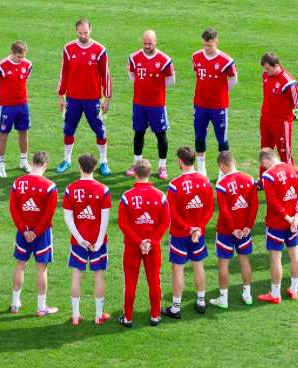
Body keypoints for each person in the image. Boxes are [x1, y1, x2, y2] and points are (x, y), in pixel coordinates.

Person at [161, 147, 213, 319]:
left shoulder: (174, 185)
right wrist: (198, 227)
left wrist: (188, 228)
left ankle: (175, 308)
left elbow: (172, 213)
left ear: (180, 161)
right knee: (198, 266)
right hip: (198, 233)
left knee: (178, 270)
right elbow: (209, 208)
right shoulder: (204, 181)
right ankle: (201, 301)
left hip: (179, 235)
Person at [56, 18, 112, 176]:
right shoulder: (68, 49)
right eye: (80, 33)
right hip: (72, 99)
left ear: (91, 30)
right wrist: (60, 95)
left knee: (100, 130)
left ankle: (104, 162)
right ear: (76, 31)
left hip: (93, 99)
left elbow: (106, 76)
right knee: (68, 129)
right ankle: (67, 159)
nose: (83, 36)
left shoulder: (100, 50)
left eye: (85, 33)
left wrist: (107, 98)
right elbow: (64, 73)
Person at [118, 160, 170, 327]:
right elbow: (165, 222)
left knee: (130, 282)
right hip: (152, 248)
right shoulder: (160, 196)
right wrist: (151, 241)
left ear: (134, 172)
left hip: (132, 247)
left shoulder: (127, 196)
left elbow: (123, 223)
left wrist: (139, 242)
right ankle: (155, 316)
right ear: (149, 173)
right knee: (154, 281)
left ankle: (128, 318)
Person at [62, 154, 111, 326]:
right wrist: (97, 242)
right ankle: (98, 316)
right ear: (95, 167)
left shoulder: (70, 189)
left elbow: (68, 218)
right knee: (99, 277)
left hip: (78, 243)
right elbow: (104, 219)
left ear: (79, 167)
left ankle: (76, 315)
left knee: (76, 276)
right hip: (98, 242)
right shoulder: (103, 189)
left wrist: (80, 239)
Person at [9, 151, 58, 316]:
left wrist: (24, 230)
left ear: (32, 162)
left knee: (20, 265)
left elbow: (14, 210)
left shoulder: (18, 183)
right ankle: (41, 307)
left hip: (22, 233)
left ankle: (15, 303)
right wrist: (36, 232)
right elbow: (49, 214)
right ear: (45, 165)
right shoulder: (50, 186)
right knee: (41, 269)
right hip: (42, 234)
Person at [209, 151, 258, 309]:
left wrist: (232, 229)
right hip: (244, 230)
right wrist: (248, 226)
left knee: (223, 264)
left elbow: (224, 210)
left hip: (226, 230)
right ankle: (247, 294)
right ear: (234, 161)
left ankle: (223, 298)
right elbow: (254, 206)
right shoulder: (250, 180)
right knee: (244, 260)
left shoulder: (221, 184)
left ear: (223, 165)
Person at [125, 30, 175, 180]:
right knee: (138, 133)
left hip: (157, 105)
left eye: (150, 43)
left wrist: (156, 88)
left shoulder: (165, 60)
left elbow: (171, 81)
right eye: (145, 43)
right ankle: (136, 164)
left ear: (155, 42)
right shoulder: (134, 57)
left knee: (161, 134)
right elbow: (132, 76)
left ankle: (162, 166)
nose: (147, 46)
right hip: (139, 104)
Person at [257, 148, 298, 303]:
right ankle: (294, 289)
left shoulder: (268, 175)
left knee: (275, 258)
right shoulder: (295, 170)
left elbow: (272, 202)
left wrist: (288, 218)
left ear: (265, 161)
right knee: (294, 254)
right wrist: (296, 217)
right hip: (294, 223)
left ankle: (275, 294)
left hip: (276, 223)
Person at [191, 28, 237, 175]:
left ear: (216, 42)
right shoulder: (196, 57)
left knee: (222, 140)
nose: (206, 48)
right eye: (204, 45)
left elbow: (233, 80)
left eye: (209, 45)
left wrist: (221, 93)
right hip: (200, 105)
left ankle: (222, 172)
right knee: (199, 137)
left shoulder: (226, 61)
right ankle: (201, 169)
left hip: (219, 107)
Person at [0, 41, 33, 177]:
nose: (21, 59)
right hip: (6, 107)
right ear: (12, 52)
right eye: (19, 57)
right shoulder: (0, 66)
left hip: (23, 105)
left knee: (23, 133)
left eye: (23, 56)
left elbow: (25, 78)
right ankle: (1, 164)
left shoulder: (28, 64)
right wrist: (2, 98)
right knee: (3, 135)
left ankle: (23, 161)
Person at [259, 53, 298, 179]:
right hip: (266, 119)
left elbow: (297, 103)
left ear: (276, 65)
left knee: (285, 152)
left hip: (281, 123)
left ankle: (291, 179)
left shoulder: (288, 82)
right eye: (265, 69)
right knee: (265, 150)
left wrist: (290, 119)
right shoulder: (266, 75)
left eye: (268, 69)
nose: (266, 72)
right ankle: (263, 179)